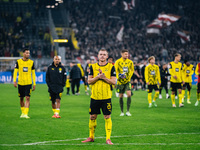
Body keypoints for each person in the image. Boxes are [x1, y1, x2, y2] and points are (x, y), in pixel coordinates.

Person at [81, 49, 116, 145]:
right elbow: (89, 81)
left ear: (107, 56)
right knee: (92, 117)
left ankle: (108, 138)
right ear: (98, 56)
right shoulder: (92, 67)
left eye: (104, 54)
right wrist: (98, 77)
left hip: (106, 97)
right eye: (101, 54)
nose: (102, 56)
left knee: (107, 116)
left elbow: (114, 82)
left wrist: (104, 78)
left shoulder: (111, 67)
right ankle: (91, 137)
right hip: (95, 97)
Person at [13, 48, 36, 119]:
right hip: (20, 83)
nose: (28, 54)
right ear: (23, 54)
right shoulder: (18, 62)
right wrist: (14, 81)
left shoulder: (31, 62)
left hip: (28, 83)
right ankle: (22, 112)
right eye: (26, 53)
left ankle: (26, 113)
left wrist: (34, 83)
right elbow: (15, 71)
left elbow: (33, 73)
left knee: (27, 98)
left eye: (29, 53)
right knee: (21, 98)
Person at [115, 49, 134, 116]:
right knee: (121, 96)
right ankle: (122, 112)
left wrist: (129, 76)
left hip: (127, 81)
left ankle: (128, 111)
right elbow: (116, 71)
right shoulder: (118, 62)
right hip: (120, 82)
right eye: (125, 54)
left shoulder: (130, 62)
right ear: (122, 54)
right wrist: (119, 76)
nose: (127, 55)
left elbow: (132, 70)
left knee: (129, 94)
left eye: (127, 54)